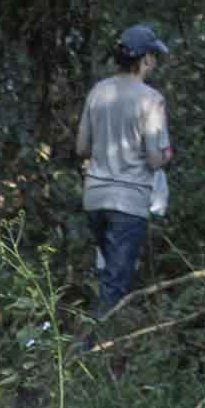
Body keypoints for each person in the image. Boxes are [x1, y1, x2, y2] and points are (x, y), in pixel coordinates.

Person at [76, 24, 173, 313]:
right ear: (144, 59)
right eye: (153, 56)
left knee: (109, 275)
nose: (154, 62)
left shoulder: (97, 92)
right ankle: (91, 349)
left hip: (95, 197)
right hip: (128, 201)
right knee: (116, 285)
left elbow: (81, 146)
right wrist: (165, 154)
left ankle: (107, 344)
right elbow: (156, 159)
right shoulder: (150, 99)